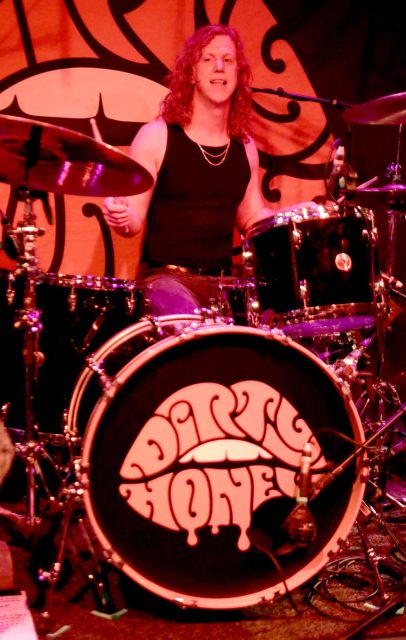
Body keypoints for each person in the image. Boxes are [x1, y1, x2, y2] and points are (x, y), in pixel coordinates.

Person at [102, 24, 309, 320]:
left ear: (239, 74)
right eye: (208, 59)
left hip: (223, 285)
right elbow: (133, 220)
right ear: (191, 74)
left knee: (262, 330)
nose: (219, 67)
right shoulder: (157, 136)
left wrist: (293, 218)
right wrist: (121, 217)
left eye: (228, 60)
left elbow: (251, 217)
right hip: (166, 281)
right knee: (194, 328)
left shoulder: (244, 146)